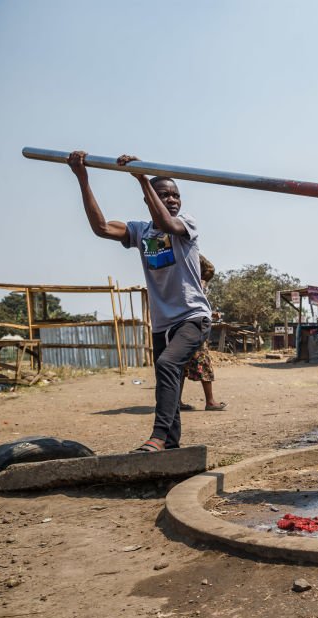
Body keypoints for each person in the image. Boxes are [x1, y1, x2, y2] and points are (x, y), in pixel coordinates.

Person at [68, 151, 211, 453]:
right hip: (162, 321)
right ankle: (170, 443)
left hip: (193, 316)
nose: (172, 200)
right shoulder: (141, 231)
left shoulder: (186, 223)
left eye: (175, 195)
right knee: (166, 376)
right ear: (149, 200)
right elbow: (102, 227)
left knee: (167, 364)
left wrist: (142, 178)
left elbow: (167, 224)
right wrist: (82, 178)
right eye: (164, 195)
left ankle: (158, 437)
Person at [180, 254, 226, 411]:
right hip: (194, 327)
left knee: (180, 365)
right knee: (203, 361)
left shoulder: (180, 279)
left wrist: (210, 313)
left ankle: (176, 402)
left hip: (179, 326)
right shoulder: (195, 283)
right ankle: (210, 401)